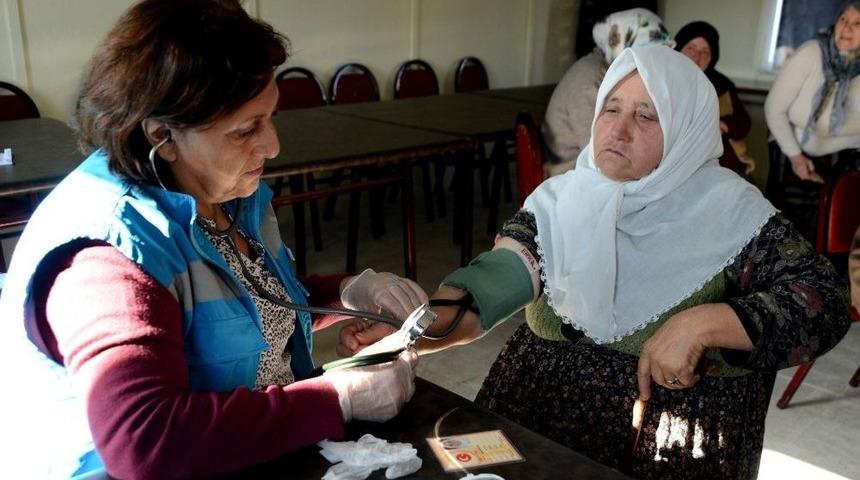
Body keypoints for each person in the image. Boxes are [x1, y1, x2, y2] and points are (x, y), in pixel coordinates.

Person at [341, 46, 851, 479]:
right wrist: (409, 329)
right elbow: (501, 277)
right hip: (539, 412)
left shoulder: (733, 215)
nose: (620, 130)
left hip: (667, 444)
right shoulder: (563, 199)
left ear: (686, 130)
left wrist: (705, 324)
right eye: (611, 108)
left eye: (647, 116)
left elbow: (822, 303)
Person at [0, 1, 425, 479]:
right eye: (247, 129)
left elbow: (239, 302)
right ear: (163, 136)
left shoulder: (217, 192)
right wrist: (337, 398)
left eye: (270, 117)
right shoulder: (104, 258)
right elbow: (145, 444)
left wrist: (348, 294)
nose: (272, 146)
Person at [765, 1, 860, 240]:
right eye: (843, 20)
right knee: (792, 227)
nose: (846, 28)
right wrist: (796, 156)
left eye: (857, 23)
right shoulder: (812, 53)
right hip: (792, 146)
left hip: (841, 155)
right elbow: (774, 108)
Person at [542, 8, 673, 177]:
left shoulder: (607, 69)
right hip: (571, 171)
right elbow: (599, 150)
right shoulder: (592, 78)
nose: (654, 61)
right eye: (647, 53)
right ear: (624, 45)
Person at [676, 21, 755, 176]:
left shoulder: (722, 85)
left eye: (705, 51)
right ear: (678, 49)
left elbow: (744, 122)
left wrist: (723, 125)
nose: (697, 56)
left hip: (718, 163)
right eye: (691, 48)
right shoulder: (663, 81)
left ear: (712, 57)